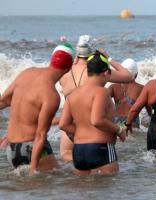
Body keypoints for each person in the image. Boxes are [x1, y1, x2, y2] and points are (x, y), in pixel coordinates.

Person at [0, 43, 75, 175]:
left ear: (52, 59)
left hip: (11, 149)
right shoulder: (51, 95)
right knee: (58, 180)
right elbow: (40, 135)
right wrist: (32, 171)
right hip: (31, 148)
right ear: (68, 69)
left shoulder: (26, 73)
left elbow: (4, 101)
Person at [57, 35, 133, 162]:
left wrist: (73, 59)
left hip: (71, 123)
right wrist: (108, 59)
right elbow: (128, 76)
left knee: (68, 157)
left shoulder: (64, 72)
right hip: (93, 128)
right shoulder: (97, 71)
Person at [59, 51, 125, 176]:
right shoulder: (102, 92)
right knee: (109, 190)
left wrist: (81, 131)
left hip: (78, 151)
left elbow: (63, 124)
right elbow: (97, 120)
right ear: (106, 73)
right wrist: (119, 130)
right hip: (101, 148)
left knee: (85, 192)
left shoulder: (73, 94)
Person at [108, 58, 151, 128]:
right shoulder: (142, 88)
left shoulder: (113, 87)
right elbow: (149, 111)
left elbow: (101, 101)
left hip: (116, 126)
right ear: (136, 74)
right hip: (132, 126)